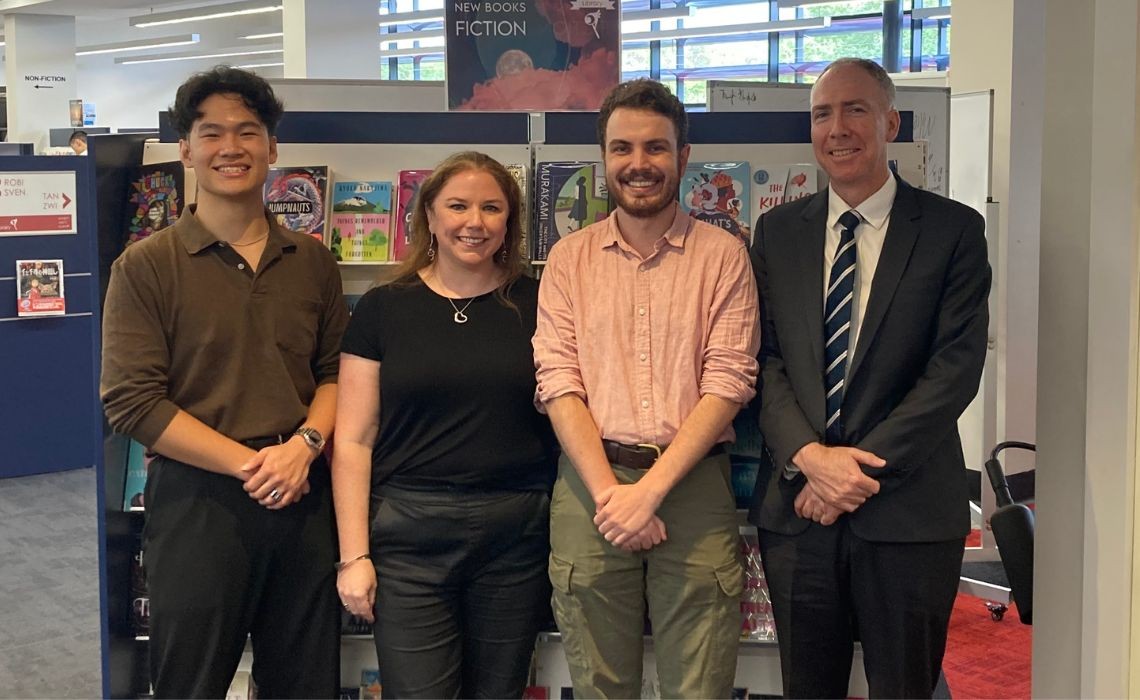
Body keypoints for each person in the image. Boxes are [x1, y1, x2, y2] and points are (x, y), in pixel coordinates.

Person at [100, 66, 349, 698]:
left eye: (248, 132)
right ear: (186, 149)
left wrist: (304, 448)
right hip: (197, 505)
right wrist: (252, 465)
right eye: (212, 134)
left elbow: (335, 372)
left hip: (302, 496)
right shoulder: (146, 266)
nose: (230, 148)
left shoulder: (313, 260)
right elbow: (132, 401)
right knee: (191, 682)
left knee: (304, 681)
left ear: (273, 148)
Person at [748, 57, 991, 699]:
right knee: (807, 688)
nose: (837, 128)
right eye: (822, 113)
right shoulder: (778, 232)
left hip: (907, 514)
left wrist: (847, 476)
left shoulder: (952, 231)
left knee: (904, 688)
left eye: (854, 109)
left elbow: (954, 370)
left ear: (891, 120)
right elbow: (764, 362)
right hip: (799, 517)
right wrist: (808, 458)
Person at [533, 79, 761, 699]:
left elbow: (730, 379)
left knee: (700, 684)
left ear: (684, 158)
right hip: (590, 487)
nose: (639, 164)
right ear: (603, 159)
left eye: (656, 148)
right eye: (623, 148)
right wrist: (614, 495)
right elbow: (557, 382)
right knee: (601, 684)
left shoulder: (724, 256)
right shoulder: (568, 260)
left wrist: (650, 492)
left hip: (693, 487)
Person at [333, 151, 559, 698]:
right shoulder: (383, 308)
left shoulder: (542, 302)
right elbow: (354, 440)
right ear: (429, 217)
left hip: (516, 537)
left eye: (491, 208)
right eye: (457, 206)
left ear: (509, 223)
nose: (474, 222)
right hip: (408, 538)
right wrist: (354, 557)